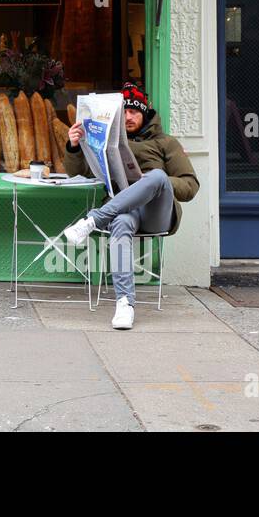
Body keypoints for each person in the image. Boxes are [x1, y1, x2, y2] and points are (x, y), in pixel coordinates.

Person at [61, 82, 199, 331]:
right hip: (125, 212)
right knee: (122, 222)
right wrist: (74, 146)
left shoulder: (165, 142)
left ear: (144, 114)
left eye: (134, 111)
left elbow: (190, 185)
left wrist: (156, 183)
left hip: (157, 212)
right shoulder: (106, 142)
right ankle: (124, 303)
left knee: (156, 176)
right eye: (123, 111)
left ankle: (93, 220)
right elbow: (77, 174)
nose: (128, 117)